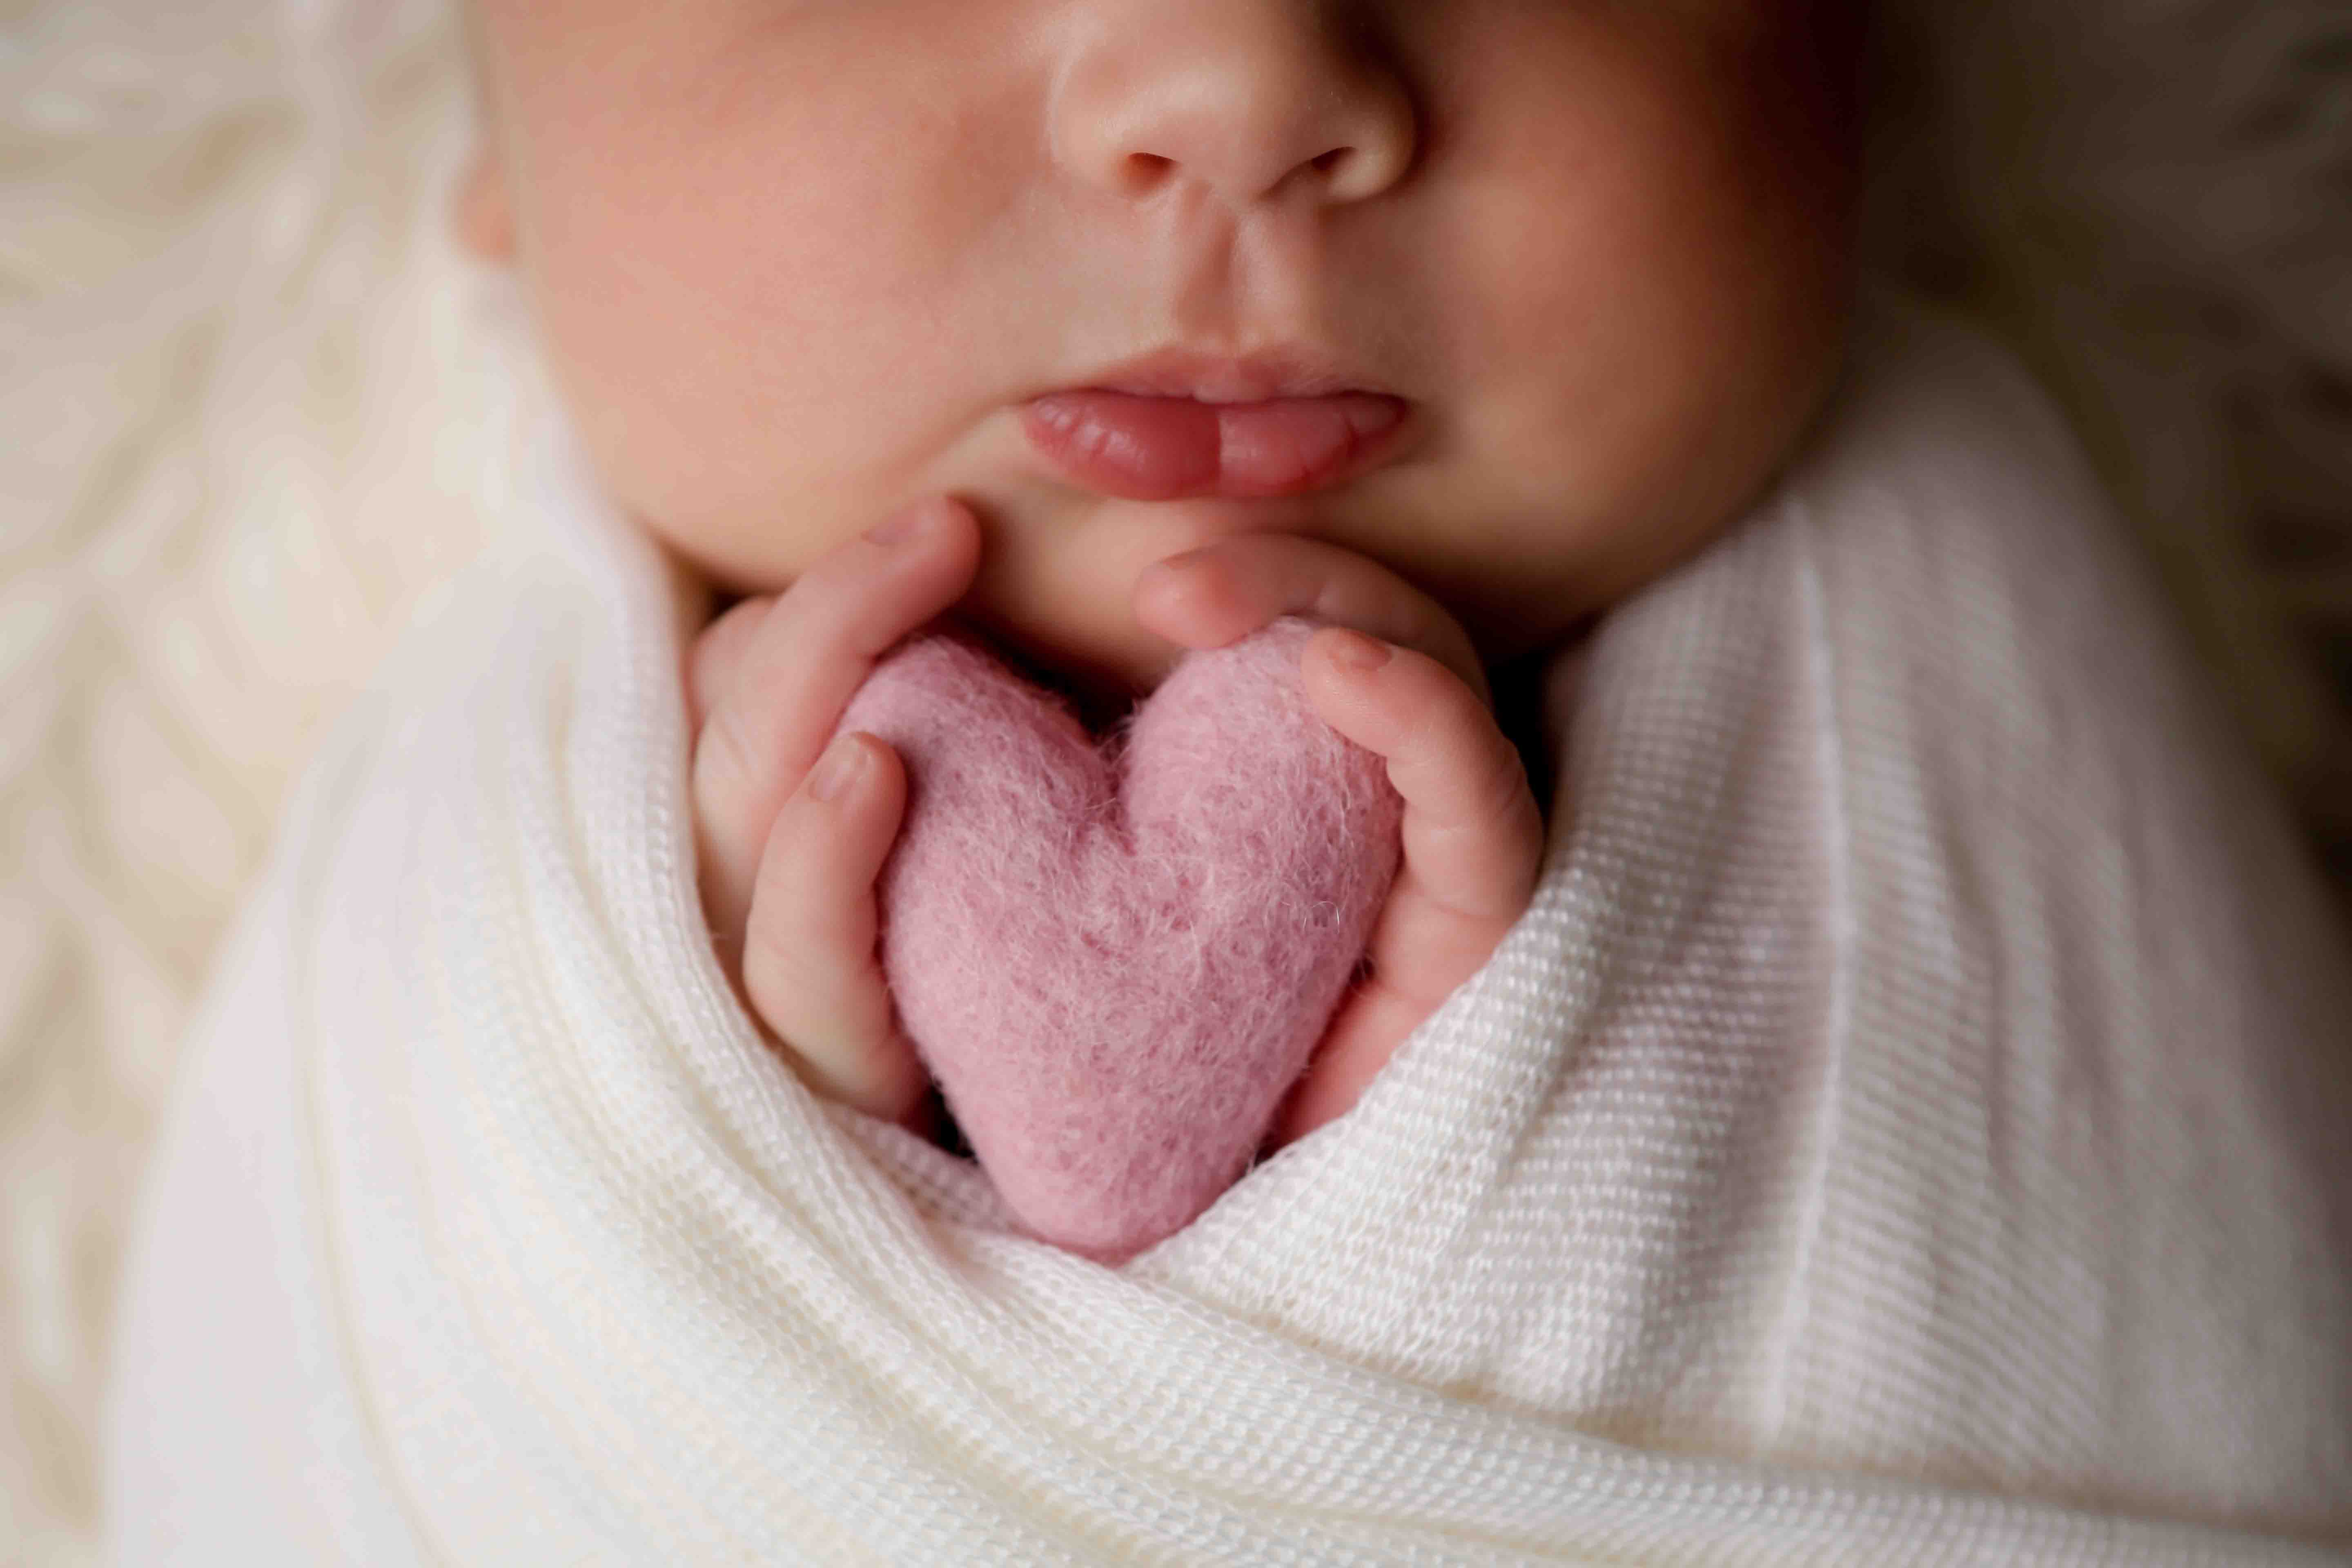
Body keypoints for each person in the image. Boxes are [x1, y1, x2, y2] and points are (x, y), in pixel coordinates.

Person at [104, 1, 2352, 1560]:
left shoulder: (1960, 635)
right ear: (490, 130)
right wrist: (741, 1097)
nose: (1243, 77)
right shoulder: (446, 847)